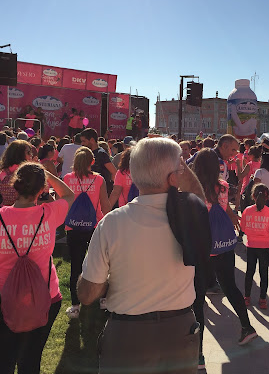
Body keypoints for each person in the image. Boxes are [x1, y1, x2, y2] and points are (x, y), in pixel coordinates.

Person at [77, 138, 202, 374]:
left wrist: (103, 283)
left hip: (128, 334)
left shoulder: (111, 223)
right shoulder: (189, 217)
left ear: (132, 175)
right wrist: (181, 171)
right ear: (175, 175)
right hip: (180, 330)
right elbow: (199, 197)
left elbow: (87, 294)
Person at [0, 162, 74, 373]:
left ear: (15, 186)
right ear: (42, 189)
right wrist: (46, 175)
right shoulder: (49, 213)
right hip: (44, 297)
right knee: (30, 361)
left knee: (2, 361)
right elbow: (69, 195)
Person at [192, 148, 257, 368]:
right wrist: (233, 218)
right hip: (222, 246)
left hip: (201, 248)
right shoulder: (223, 186)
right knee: (230, 287)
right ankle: (247, 327)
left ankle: (199, 354)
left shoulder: (193, 189)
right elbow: (225, 207)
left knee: (198, 299)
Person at [63, 147, 111, 319]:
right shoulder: (99, 180)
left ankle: (75, 306)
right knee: (100, 264)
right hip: (94, 227)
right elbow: (105, 207)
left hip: (73, 228)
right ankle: (103, 300)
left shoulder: (67, 179)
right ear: (92, 161)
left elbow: (63, 203)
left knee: (75, 266)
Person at [241, 184, 269, 309]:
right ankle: (262, 299)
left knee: (249, 272)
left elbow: (243, 228)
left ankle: (247, 297)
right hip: (265, 247)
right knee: (263, 273)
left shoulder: (247, 210)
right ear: (267, 197)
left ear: (253, 196)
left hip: (251, 245)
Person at [80, 128, 117, 195]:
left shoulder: (101, 153)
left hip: (100, 192)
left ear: (92, 140)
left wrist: (109, 188)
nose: (82, 144)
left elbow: (114, 171)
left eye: (84, 141)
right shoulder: (86, 153)